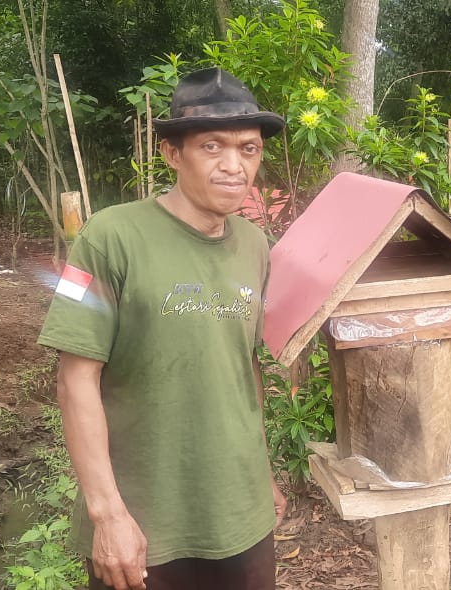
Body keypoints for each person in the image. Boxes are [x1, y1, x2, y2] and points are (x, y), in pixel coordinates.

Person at [37, 67, 287, 590]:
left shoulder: (255, 246)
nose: (234, 166)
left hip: (240, 513)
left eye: (249, 149)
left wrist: (261, 474)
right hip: (145, 519)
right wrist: (107, 516)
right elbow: (74, 382)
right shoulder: (108, 238)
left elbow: (242, 368)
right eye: (212, 146)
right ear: (173, 154)